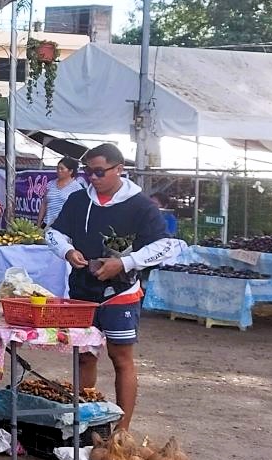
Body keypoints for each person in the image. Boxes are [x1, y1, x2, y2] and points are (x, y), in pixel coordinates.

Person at [45, 144, 178, 431]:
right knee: (83, 356)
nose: (92, 177)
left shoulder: (141, 205)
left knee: (121, 358)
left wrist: (126, 263)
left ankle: (122, 430)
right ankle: (82, 421)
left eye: (99, 171)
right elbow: (53, 232)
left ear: (119, 169)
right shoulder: (79, 201)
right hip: (81, 291)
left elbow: (166, 246)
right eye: (88, 172)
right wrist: (67, 251)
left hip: (121, 294)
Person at [43, 157, 83, 227]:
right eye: (57, 168)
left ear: (70, 171)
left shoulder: (77, 188)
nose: (59, 171)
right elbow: (44, 204)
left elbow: (78, 211)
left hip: (64, 227)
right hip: (46, 224)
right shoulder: (51, 184)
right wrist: (38, 223)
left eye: (62, 169)